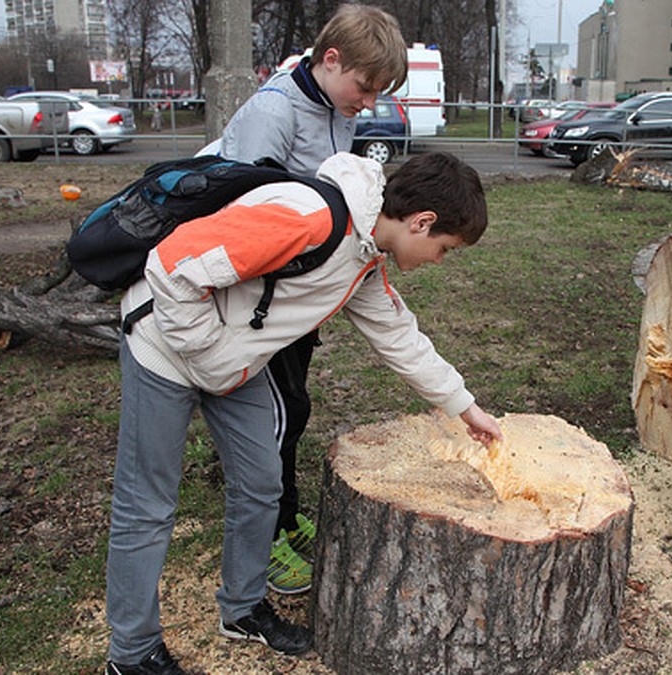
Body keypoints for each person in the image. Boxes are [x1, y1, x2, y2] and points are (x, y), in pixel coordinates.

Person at [103, 151, 503, 674]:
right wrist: (209, 355)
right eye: (444, 248)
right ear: (421, 222)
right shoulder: (308, 218)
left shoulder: (363, 256)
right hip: (167, 349)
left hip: (229, 364)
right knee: (148, 505)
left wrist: (464, 407)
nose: (439, 260)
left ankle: (242, 609)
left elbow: (398, 336)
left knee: (261, 482)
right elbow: (173, 266)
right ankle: (131, 654)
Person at [216, 3, 409, 596]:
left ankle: (285, 510)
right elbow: (239, 211)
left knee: (293, 408)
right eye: (366, 87)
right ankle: (266, 536)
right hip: (260, 302)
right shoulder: (274, 110)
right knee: (275, 416)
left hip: (300, 297)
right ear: (331, 60)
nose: (370, 104)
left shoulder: (333, 104)